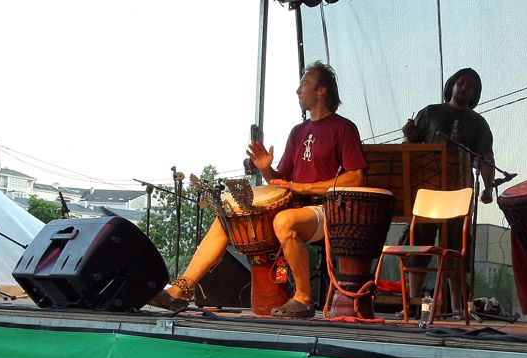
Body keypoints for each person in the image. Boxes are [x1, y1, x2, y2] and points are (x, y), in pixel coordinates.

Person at [152, 61, 367, 318]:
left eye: (305, 84)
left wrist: (304, 186)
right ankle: (179, 291)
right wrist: (266, 168)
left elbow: (356, 177)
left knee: (285, 221)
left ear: (322, 91)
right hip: (291, 206)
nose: (298, 91)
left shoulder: (343, 128)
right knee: (226, 221)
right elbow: (280, 180)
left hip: (324, 209)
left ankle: (303, 298)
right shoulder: (298, 132)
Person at [401, 68, 495, 313]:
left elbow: (486, 156)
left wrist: (487, 188)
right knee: (419, 243)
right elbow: (410, 149)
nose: (465, 88)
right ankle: (413, 304)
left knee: (456, 247)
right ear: (451, 85)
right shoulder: (430, 112)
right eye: (461, 83)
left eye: (471, 86)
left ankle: (457, 309)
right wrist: (410, 137)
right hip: (427, 194)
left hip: (458, 196)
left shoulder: (478, 123)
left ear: (475, 93)